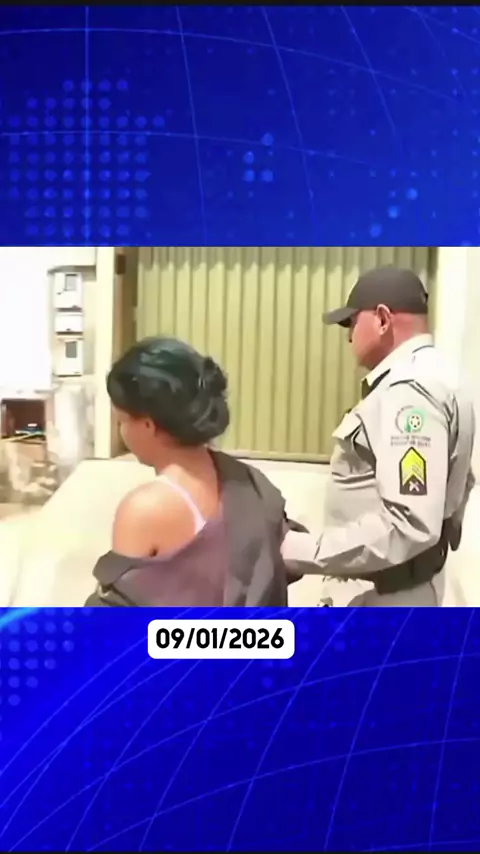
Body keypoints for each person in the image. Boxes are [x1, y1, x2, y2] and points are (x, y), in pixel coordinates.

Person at [282, 265, 476, 606]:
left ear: (383, 319)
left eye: (351, 323)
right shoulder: (439, 376)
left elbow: (410, 523)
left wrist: (298, 550)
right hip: (400, 586)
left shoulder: (409, 392)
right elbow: (459, 481)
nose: (349, 337)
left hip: (383, 595)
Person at [84, 336, 307, 607]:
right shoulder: (250, 482)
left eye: (121, 420)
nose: (121, 431)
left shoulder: (145, 508)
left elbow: (115, 622)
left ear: (147, 425)